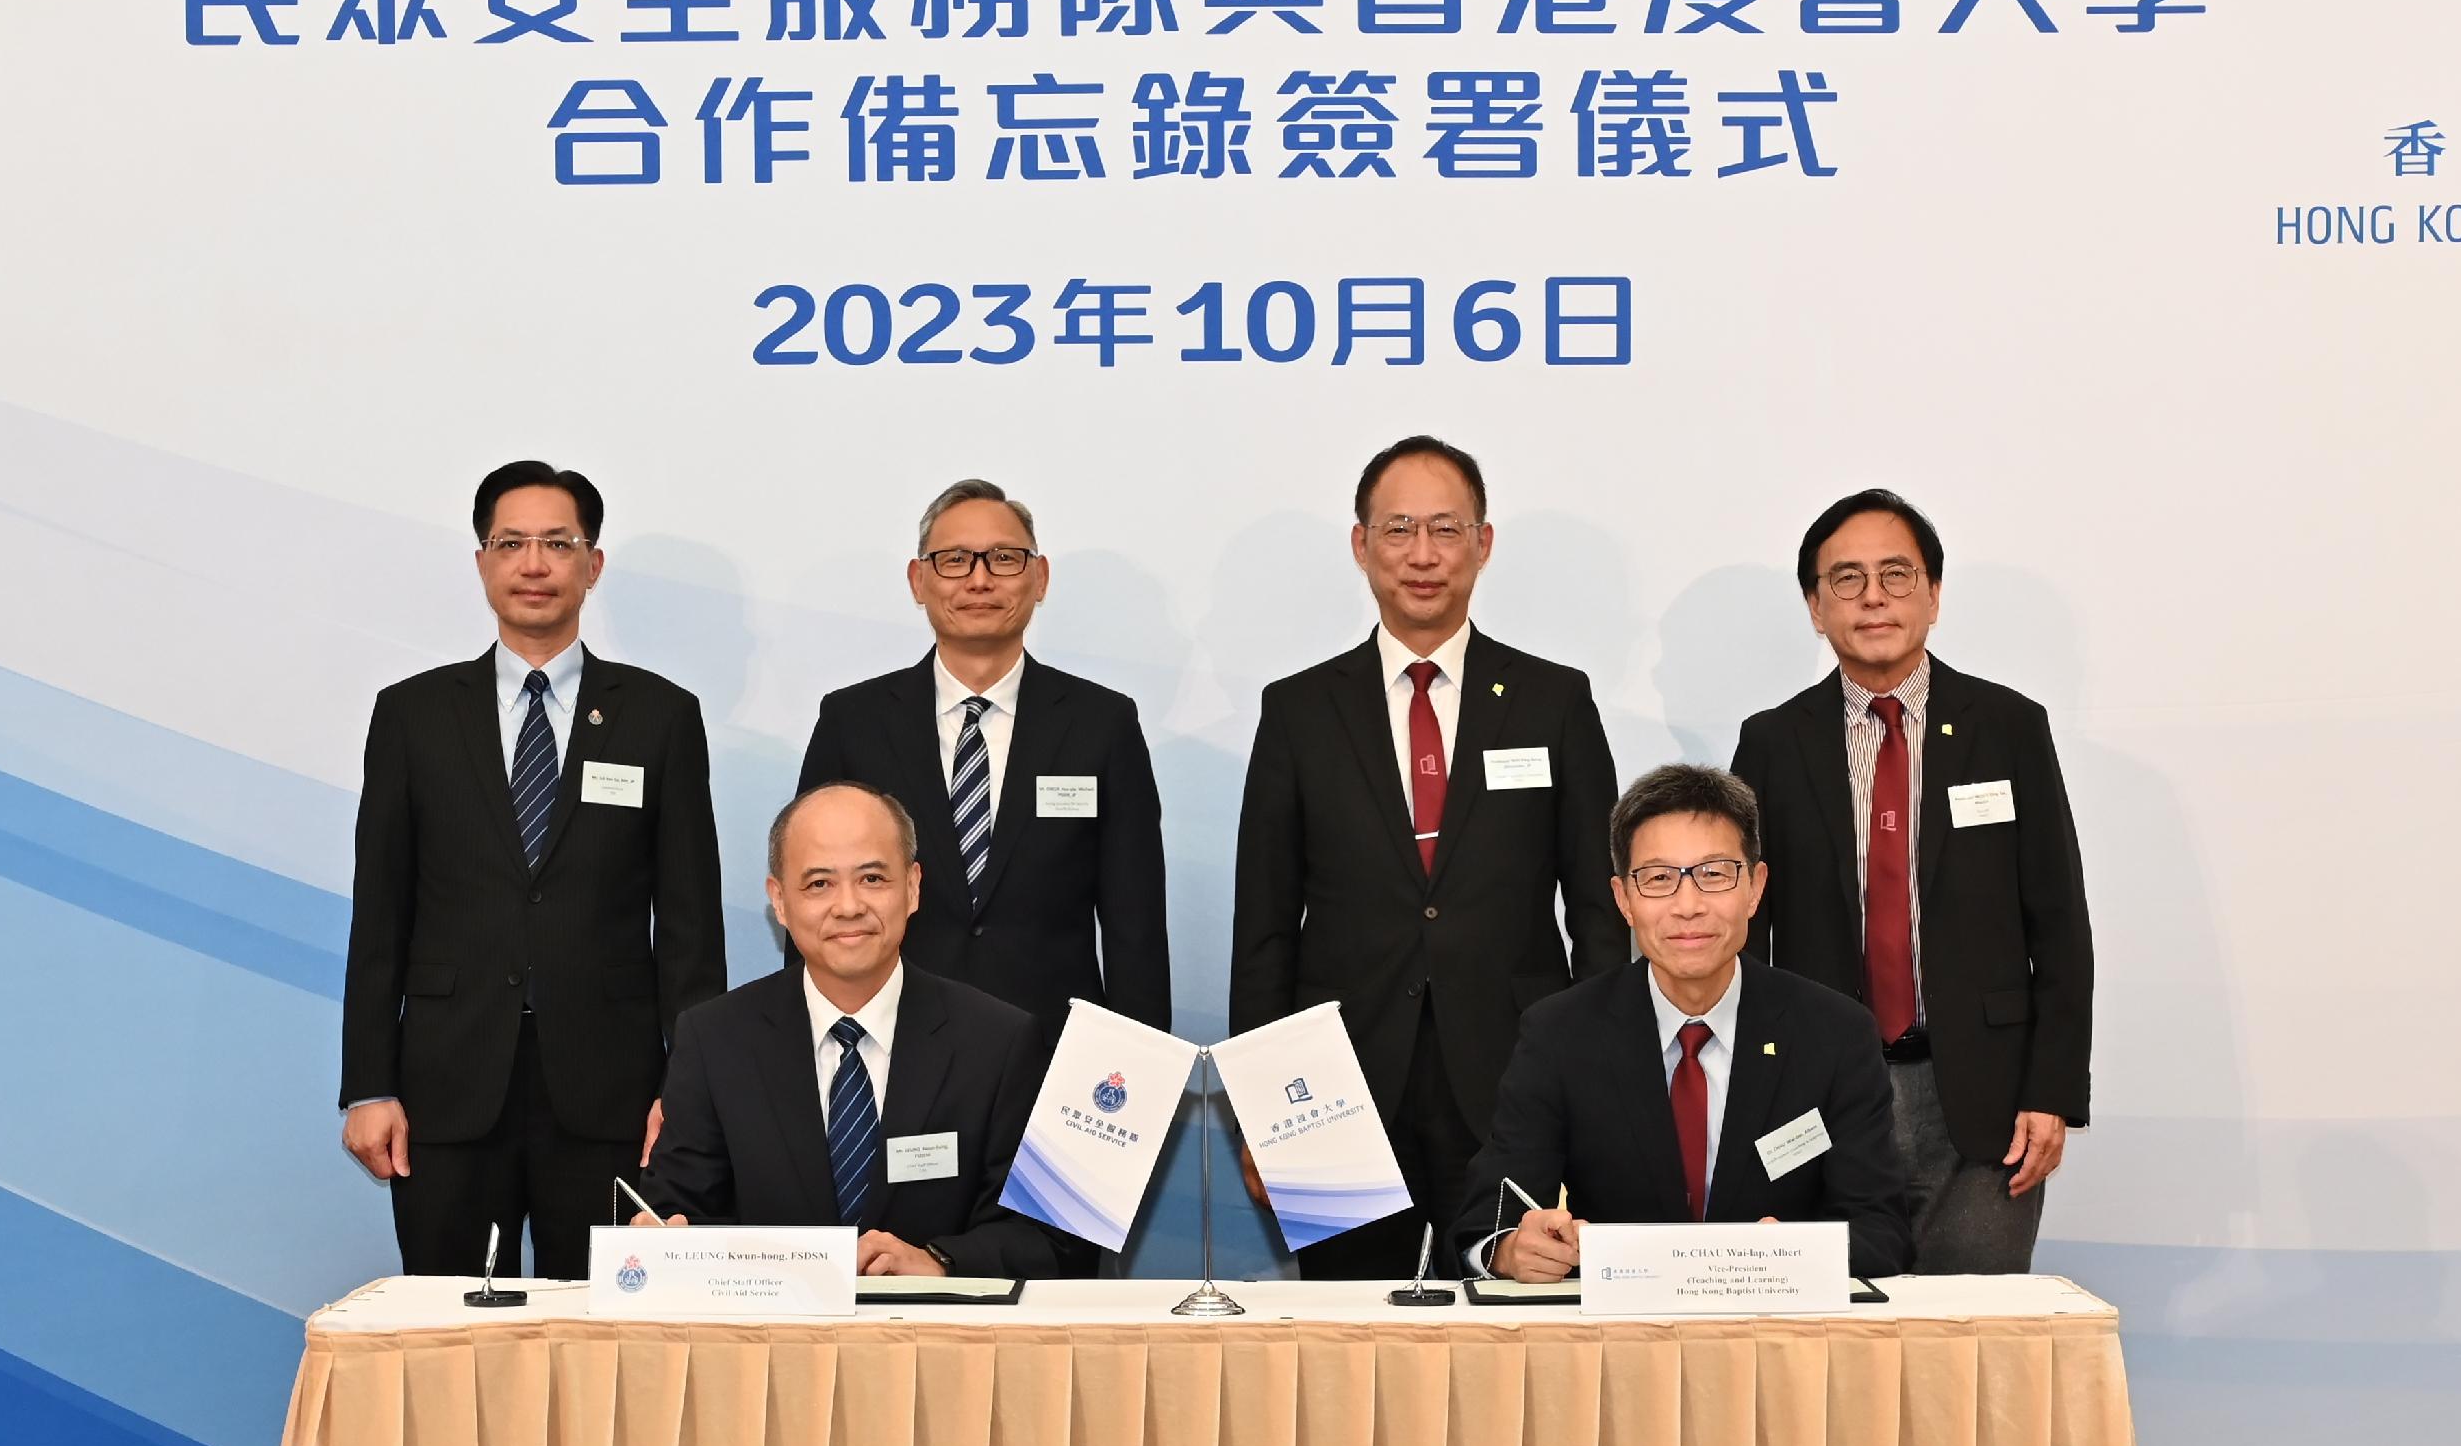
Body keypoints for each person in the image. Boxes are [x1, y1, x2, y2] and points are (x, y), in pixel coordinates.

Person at [1233, 435, 1623, 1278]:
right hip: (1333, 1090)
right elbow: (1263, 927)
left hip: (1517, 1069)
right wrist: (1261, 1109)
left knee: (1520, 1321)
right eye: (1398, 529)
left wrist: (1599, 1079)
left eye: (1444, 530)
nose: (1421, 555)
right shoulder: (1298, 710)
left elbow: (1599, 909)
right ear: (1360, 545)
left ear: (1482, 544)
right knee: (1344, 1346)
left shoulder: (1553, 701)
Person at [339, 460, 725, 1277]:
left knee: (602, 1336)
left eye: (558, 542)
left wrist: (690, 1093)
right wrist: (368, 1085)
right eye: (511, 543)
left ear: (594, 564)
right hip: (447, 1086)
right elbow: (380, 914)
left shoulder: (660, 717)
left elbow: (691, 927)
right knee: (449, 1330)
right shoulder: (413, 715)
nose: (535, 563)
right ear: (482, 560)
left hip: (612, 1093)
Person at [1726, 488, 2090, 1273]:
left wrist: (2052, 1089)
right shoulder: (1773, 742)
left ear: (1934, 594)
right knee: (1835, 1350)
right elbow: (1745, 934)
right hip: (1821, 1092)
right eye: (1847, 579)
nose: (1875, 597)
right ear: (1815, 607)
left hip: (1987, 1103)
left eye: (1897, 574)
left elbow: (2059, 924)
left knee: (1969, 1345)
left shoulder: (2008, 727)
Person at [1460, 764, 1915, 1282]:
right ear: (1623, 900)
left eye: (1714, 873)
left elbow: (1881, 1232)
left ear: (1755, 887)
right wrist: (1509, 1251)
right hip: (1620, 1340)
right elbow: (1487, 1221)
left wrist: (1797, 1253)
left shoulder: (1834, 1033)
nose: (1688, 906)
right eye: (1657, 879)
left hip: (1776, 1337)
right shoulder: (1560, 1033)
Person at [635, 782, 1083, 1280]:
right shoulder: (714, 1040)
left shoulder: (998, 1042)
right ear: (779, 901)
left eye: (872, 878)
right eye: (819, 884)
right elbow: (674, 1215)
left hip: (938, 1346)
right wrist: (662, 1241)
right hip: (770, 1347)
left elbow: (1044, 1238)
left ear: (912, 887)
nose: (848, 906)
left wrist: (938, 1262)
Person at [794, 478, 1169, 1053]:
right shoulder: (853, 722)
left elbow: (1134, 929)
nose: (979, 579)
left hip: (1054, 1057)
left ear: (1039, 578)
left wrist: (1140, 1073)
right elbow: (812, 900)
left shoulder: (1103, 723)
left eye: (1003, 558)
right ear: (919, 582)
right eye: (953, 561)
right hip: (892, 1047)